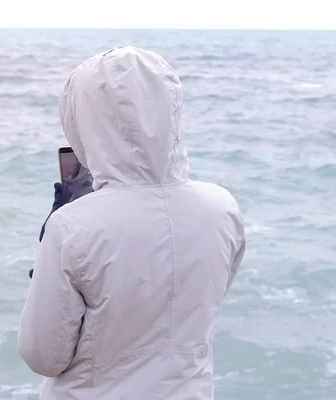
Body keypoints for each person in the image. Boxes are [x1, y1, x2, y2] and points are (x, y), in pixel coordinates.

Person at [18, 47, 246, 399]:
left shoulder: (71, 226)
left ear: (82, 120)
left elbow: (44, 356)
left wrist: (49, 245)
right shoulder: (221, 207)